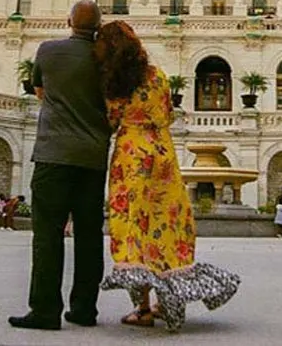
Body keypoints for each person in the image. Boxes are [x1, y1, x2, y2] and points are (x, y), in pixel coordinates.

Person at [95, 21, 239, 332]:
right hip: (162, 154)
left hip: (132, 157)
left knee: (135, 227)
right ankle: (169, 302)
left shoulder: (117, 83)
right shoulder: (157, 75)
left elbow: (111, 120)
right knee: (169, 224)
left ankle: (143, 308)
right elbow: (169, 113)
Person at [9, 1, 111, 331]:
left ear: (69, 21)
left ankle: (45, 309)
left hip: (53, 154)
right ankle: (84, 308)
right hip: (92, 157)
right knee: (89, 235)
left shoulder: (48, 51)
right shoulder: (106, 58)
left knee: (48, 235)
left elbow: (40, 91)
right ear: (99, 24)